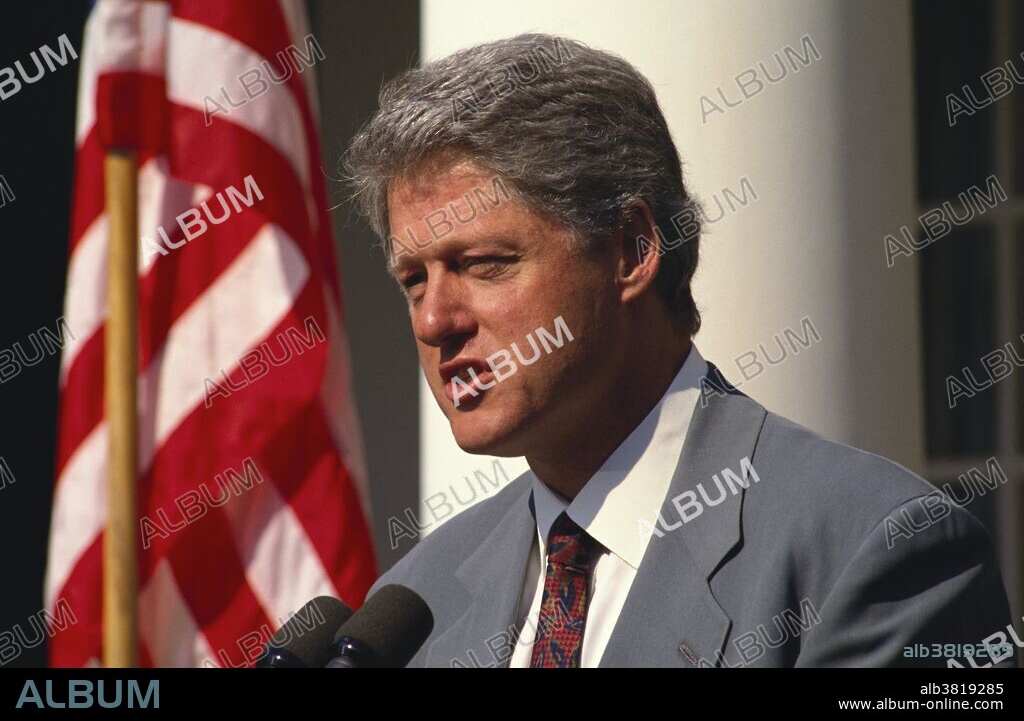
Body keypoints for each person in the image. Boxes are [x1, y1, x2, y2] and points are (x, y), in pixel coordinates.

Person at [342, 33, 1016, 668]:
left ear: (631, 249)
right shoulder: (416, 600)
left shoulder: (879, 547)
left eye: (485, 263)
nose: (434, 319)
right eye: (412, 280)